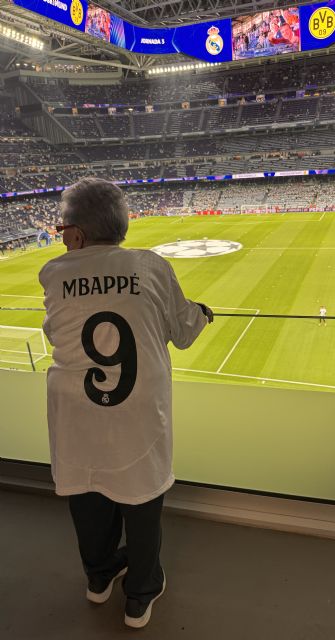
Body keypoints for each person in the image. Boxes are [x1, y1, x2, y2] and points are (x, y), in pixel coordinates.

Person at [39, 177, 213, 629]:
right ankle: (140, 596)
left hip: (75, 413)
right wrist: (203, 312)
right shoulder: (150, 266)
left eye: (63, 230)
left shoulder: (53, 273)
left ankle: (98, 578)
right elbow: (185, 331)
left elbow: (54, 331)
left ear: (76, 234)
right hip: (137, 414)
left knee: (87, 496)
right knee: (141, 503)